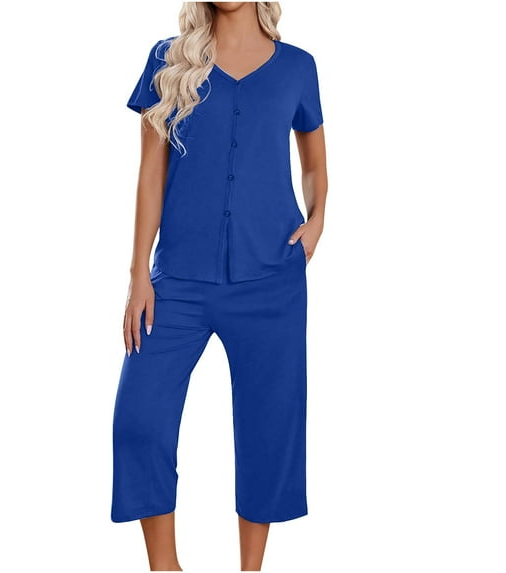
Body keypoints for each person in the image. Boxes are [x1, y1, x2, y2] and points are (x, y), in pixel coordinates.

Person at [111, 2, 328, 570]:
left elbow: (313, 162)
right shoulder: (168, 60)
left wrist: (316, 220)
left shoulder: (298, 67)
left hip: (271, 280)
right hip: (176, 281)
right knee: (139, 418)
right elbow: (150, 173)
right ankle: (165, 567)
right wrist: (138, 274)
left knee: (269, 426)